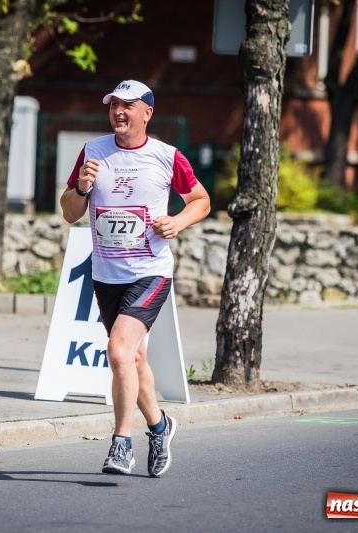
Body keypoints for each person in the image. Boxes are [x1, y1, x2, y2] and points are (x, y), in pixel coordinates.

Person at [59, 80, 211, 477]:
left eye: (128, 106)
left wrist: (177, 221)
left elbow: (202, 200)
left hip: (150, 271)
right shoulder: (93, 152)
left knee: (119, 352)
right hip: (107, 274)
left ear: (147, 113)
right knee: (134, 358)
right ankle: (160, 427)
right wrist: (81, 187)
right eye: (114, 106)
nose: (119, 112)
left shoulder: (166, 156)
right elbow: (69, 212)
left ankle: (121, 443)